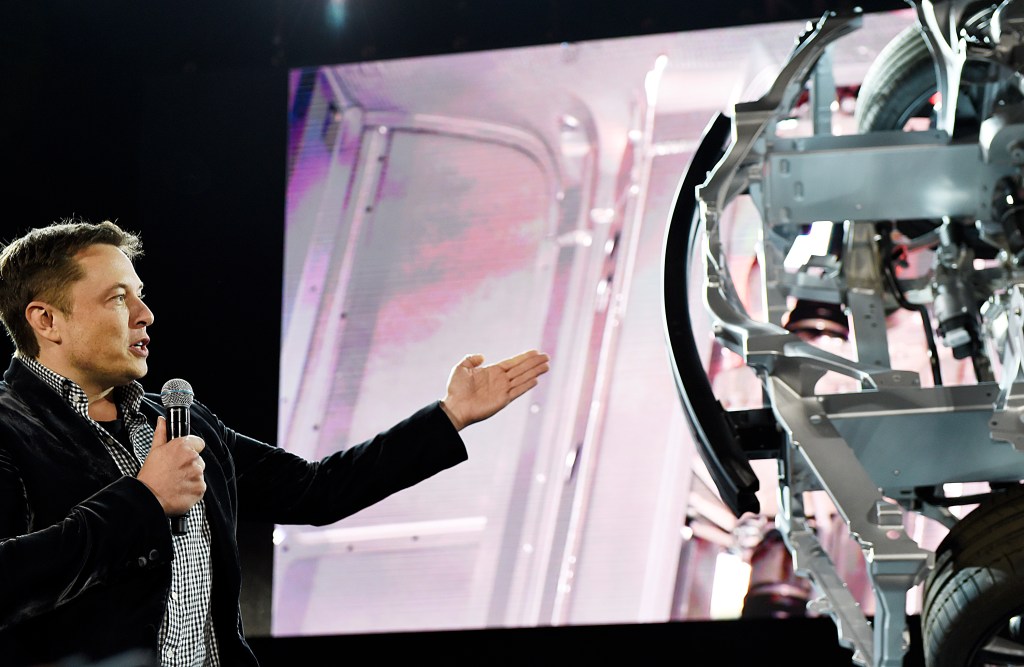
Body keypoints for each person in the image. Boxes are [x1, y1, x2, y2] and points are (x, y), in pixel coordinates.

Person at [0, 219, 550, 666]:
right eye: (119, 298)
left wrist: (450, 416)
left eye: (140, 296)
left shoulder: (178, 423)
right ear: (47, 320)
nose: (147, 315)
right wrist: (144, 500)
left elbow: (316, 491)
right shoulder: (10, 428)